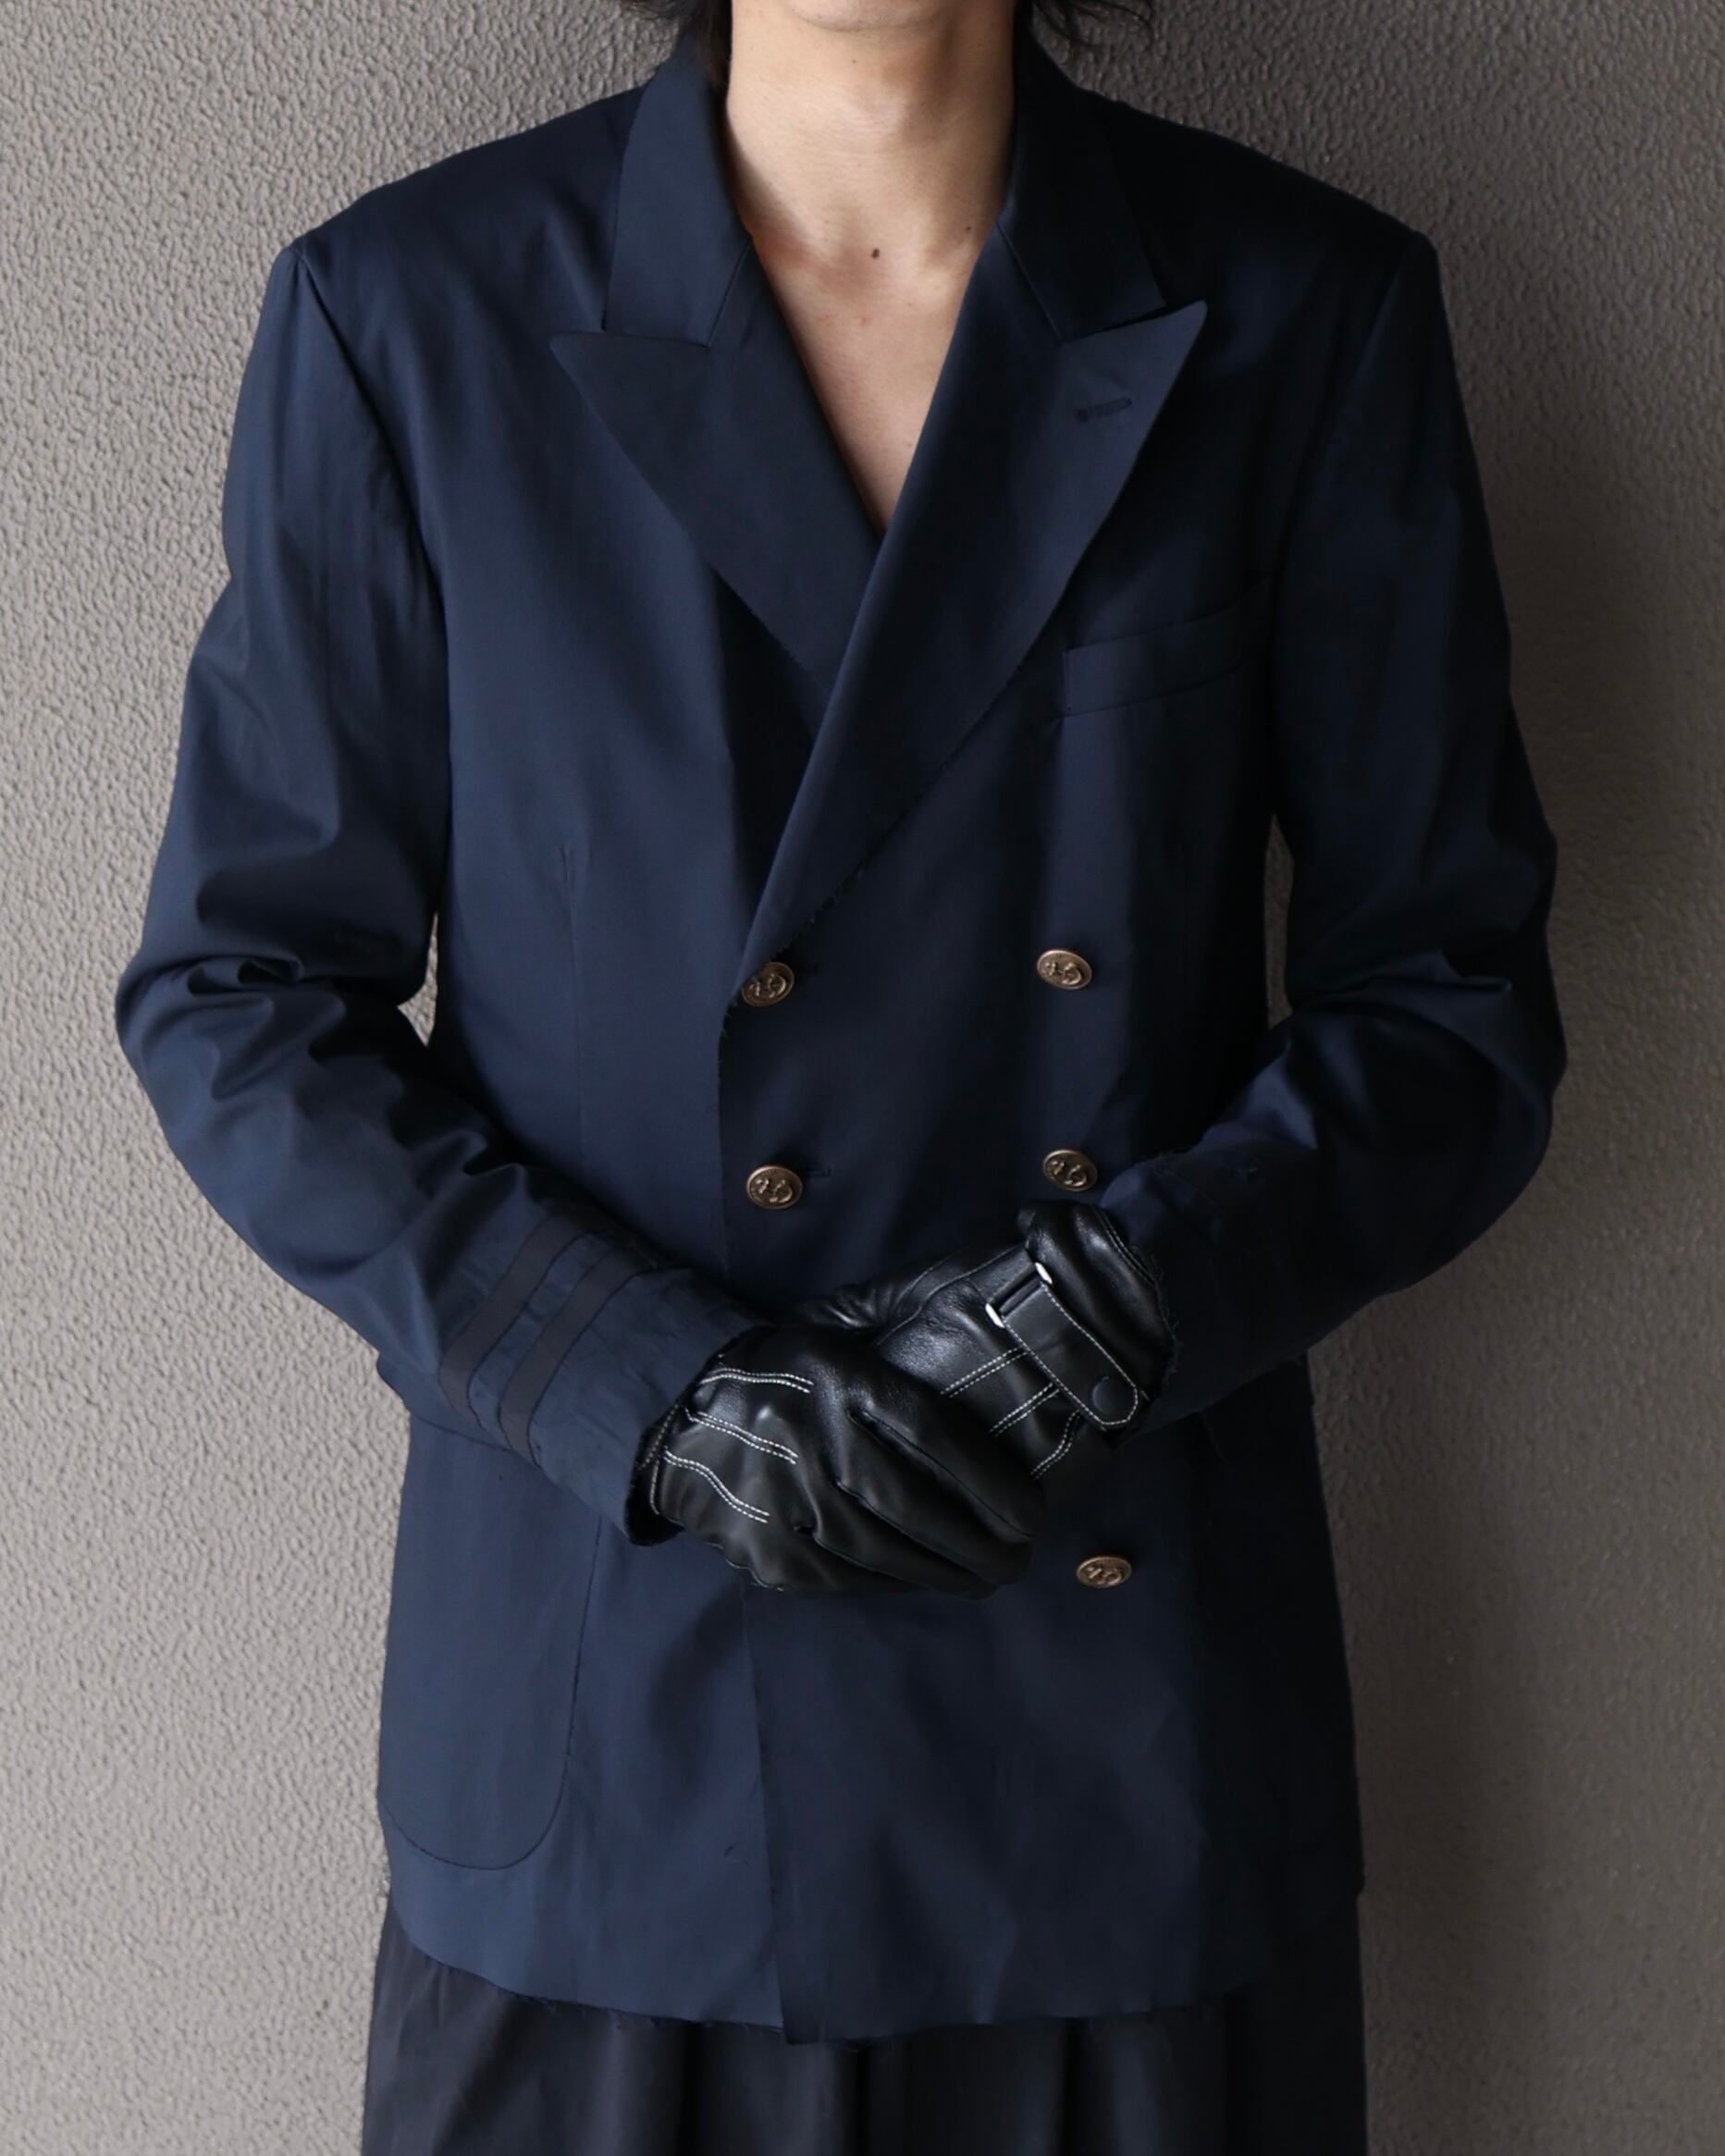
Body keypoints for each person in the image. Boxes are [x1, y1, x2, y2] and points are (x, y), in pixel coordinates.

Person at [114, 0, 1566, 2144]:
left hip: (1118, 1745)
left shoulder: (1302, 311)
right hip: (622, 1731)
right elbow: (242, 998)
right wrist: (651, 1388)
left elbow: (1448, 998)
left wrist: (1119, 1308)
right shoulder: (411, 318)